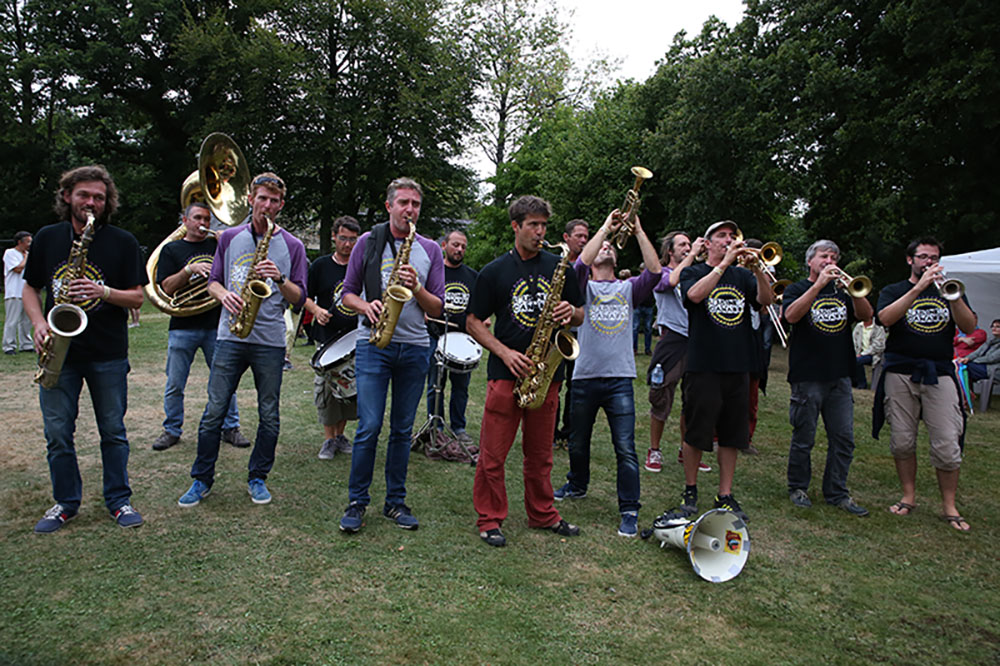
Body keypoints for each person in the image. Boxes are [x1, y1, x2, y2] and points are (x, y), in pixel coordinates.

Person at [22, 165, 146, 532]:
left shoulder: (122, 241)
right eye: (84, 195)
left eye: (99, 197)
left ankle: (119, 500)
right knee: (58, 433)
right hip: (60, 353)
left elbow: (137, 296)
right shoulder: (47, 237)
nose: (91, 202)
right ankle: (65, 502)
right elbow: (31, 287)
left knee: (113, 431)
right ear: (67, 197)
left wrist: (102, 292)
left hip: (107, 353)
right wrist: (39, 322)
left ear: (108, 201)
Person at [177, 172, 308, 508]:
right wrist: (223, 296)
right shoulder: (229, 237)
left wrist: (278, 278)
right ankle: (201, 480)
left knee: (270, 414)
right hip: (230, 335)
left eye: (274, 200)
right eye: (262, 198)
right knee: (214, 411)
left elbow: (298, 298)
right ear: (250, 199)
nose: (267, 205)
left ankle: (258, 477)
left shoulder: (292, 245)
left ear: (280, 205)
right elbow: (215, 281)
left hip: (269, 340)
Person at [467, 195, 585, 547]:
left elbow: (579, 313)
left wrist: (570, 312)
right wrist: (505, 353)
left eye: (544, 225)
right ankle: (489, 518)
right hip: (506, 372)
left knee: (541, 455)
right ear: (515, 226)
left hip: (547, 374)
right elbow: (473, 322)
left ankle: (543, 513)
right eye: (533, 225)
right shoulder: (494, 271)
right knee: (493, 454)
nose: (540, 232)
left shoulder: (559, 265)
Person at [338, 177, 444, 533]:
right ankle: (357, 501)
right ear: (389, 206)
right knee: (369, 426)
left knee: (401, 429)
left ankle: (395, 502)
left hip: (415, 347)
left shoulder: (430, 249)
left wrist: (416, 286)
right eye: (403, 203)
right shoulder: (367, 242)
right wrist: (366, 305)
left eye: (415, 204)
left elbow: (437, 306)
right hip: (373, 344)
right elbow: (346, 294)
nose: (410, 209)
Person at [553, 211, 660, 537]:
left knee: (625, 447)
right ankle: (578, 484)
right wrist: (605, 229)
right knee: (578, 442)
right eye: (603, 246)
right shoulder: (581, 287)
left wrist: (639, 230)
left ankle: (629, 508)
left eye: (611, 246)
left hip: (619, 380)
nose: (606, 248)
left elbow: (655, 272)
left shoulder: (628, 288)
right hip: (584, 376)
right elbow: (578, 267)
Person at [665, 220, 773, 523]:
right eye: (722, 236)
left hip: (738, 365)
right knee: (698, 431)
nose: (729, 240)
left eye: (732, 236)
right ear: (708, 243)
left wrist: (758, 271)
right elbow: (695, 297)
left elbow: (766, 301)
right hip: (704, 364)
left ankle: (724, 494)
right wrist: (724, 264)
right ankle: (690, 490)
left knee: (731, 434)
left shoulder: (742, 276)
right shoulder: (693, 271)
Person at [874, 237, 976, 532]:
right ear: (910, 260)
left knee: (947, 443)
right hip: (900, 373)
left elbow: (969, 327)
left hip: (940, 373)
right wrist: (919, 288)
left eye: (934, 257)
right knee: (902, 440)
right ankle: (908, 496)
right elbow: (885, 319)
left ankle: (949, 505)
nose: (929, 262)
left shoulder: (950, 290)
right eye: (923, 257)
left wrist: (954, 298)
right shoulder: (894, 290)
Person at [781, 240, 871, 516]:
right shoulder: (797, 288)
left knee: (843, 437)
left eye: (833, 256)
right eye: (824, 256)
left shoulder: (843, 291)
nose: (829, 260)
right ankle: (798, 486)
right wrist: (818, 286)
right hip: (808, 375)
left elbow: (867, 316)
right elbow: (791, 316)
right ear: (810, 261)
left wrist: (854, 293)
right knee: (804, 436)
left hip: (840, 374)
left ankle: (837, 492)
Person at [153, 202, 249, 451]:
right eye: (197, 218)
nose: (202, 223)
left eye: (206, 218)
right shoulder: (171, 249)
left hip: (216, 324)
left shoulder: (217, 245)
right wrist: (189, 270)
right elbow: (167, 288)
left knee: (224, 380)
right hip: (182, 326)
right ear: (185, 221)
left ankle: (230, 427)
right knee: (175, 382)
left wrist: (227, 241)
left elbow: (240, 268)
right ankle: (171, 430)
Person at [645, 231, 711, 474]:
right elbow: (671, 282)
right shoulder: (661, 273)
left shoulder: (696, 273)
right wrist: (693, 254)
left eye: (688, 244)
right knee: (661, 397)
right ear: (670, 252)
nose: (687, 247)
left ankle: (688, 450)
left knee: (693, 402)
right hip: (672, 340)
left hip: (698, 340)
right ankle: (654, 450)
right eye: (682, 244)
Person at [305, 215, 361, 459]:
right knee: (327, 390)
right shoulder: (320, 266)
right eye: (343, 238)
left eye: (352, 240)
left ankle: (340, 435)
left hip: (355, 338)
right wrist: (316, 310)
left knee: (350, 392)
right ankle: (329, 440)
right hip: (327, 339)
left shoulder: (361, 266)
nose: (347, 244)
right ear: (334, 237)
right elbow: (303, 295)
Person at [424, 229, 478, 445]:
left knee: (461, 388)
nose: (459, 249)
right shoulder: (433, 273)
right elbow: (422, 300)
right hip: (436, 337)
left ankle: (458, 427)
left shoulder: (473, 277)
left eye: (463, 246)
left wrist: (481, 319)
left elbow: (478, 308)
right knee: (435, 385)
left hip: (462, 340)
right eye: (455, 245)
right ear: (444, 246)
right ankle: (435, 427)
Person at [553, 219, 590, 448]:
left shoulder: (591, 265)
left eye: (586, 237)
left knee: (575, 386)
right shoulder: (556, 263)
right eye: (579, 236)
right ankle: (550, 432)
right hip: (558, 331)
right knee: (553, 383)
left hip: (581, 332)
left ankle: (568, 432)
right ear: (566, 238)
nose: (584, 241)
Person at [4, 231, 34, 354]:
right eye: (27, 242)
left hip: (26, 292)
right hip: (14, 292)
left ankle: (26, 344)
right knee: (12, 320)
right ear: (19, 242)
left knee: (26, 320)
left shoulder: (28, 254)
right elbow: (17, 268)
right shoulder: (10, 253)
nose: (29, 244)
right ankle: (9, 346)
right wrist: (27, 257)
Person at [852, 316, 886, 389]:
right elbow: (854, 342)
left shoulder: (878, 328)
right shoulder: (858, 327)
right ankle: (853, 382)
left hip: (874, 355)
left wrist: (862, 354)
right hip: (859, 354)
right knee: (851, 360)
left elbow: (879, 345)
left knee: (858, 361)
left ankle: (862, 384)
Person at [632, 267, 655, 355]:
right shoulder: (637, 281)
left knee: (648, 328)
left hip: (648, 306)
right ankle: (634, 349)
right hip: (638, 306)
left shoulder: (651, 281)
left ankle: (648, 349)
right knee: (635, 328)